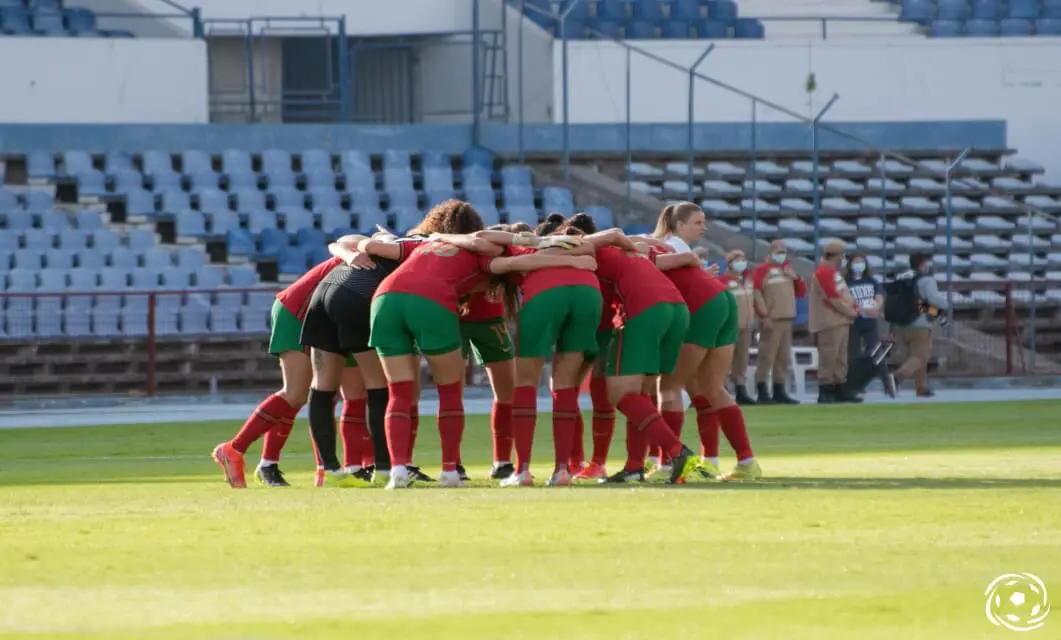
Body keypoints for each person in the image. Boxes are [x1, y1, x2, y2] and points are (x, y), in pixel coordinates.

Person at [356, 200, 597, 489]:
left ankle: (398, 470)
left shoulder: (423, 244)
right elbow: (514, 259)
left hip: (384, 300)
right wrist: (571, 259)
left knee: (400, 391)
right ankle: (452, 470)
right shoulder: (486, 250)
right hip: (434, 302)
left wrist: (355, 248)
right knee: (453, 389)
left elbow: (372, 245)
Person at [462, 227, 617, 487]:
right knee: (566, 385)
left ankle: (522, 470)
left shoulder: (511, 247)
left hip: (546, 293)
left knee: (525, 383)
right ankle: (563, 471)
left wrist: (441, 237)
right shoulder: (561, 243)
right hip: (589, 294)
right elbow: (601, 241)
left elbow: (479, 237)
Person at [557, 220, 701, 485]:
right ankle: (635, 466)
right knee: (641, 394)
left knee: (620, 393)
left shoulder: (590, 252)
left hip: (645, 311)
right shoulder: (623, 253)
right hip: (676, 311)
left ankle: (677, 452)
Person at [211, 249, 366, 489]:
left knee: (329, 393)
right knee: (296, 393)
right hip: (297, 313)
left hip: (328, 317)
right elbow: (343, 242)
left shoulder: (386, 258)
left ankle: (318, 469)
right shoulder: (377, 251)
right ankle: (234, 449)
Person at [639, 218, 761, 482]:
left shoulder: (655, 247)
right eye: (697, 222)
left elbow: (660, 259)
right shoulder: (666, 244)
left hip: (702, 304)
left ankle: (667, 465)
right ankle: (743, 460)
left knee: (668, 386)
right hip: (722, 298)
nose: (702, 228)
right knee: (710, 387)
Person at [885, 252, 949, 397]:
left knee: (914, 358)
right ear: (923, 264)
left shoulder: (901, 277)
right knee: (921, 356)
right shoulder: (926, 279)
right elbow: (931, 300)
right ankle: (896, 378)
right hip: (919, 324)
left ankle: (921, 387)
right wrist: (945, 306)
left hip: (899, 324)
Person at [809, 240, 865, 404]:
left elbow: (845, 295)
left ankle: (840, 387)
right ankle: (825, 388)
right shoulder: (823, 273)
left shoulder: (834, 273)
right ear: (836, 256)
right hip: (829, 321)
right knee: (829, 355)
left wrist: (853, 307)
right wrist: (852, 311)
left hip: (841, 320)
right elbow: (832, 299)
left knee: (840, 357)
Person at [751, 240, 806, 404]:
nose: (781, 255)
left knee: (782, 357)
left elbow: (801, 292)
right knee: (767, 355)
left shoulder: (788, 270)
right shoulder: (762, 270)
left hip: (787, 317)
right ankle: (762, 389)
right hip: (772, 318)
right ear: (770, 253)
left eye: (783, 252)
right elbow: (757, 294)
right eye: (778, 252)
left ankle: (779, 389)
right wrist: (764, 315)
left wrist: (796, 278)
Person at [721, 249, 756, 405]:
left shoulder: (747, 281)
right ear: (729, 263)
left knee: (742, 359)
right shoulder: (723, 281)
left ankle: (741, 389)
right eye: (737, 260)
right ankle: (723, 389)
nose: (742, 263)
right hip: (730, 325)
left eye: (743, 260)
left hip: (747, 325)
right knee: (726, 360)